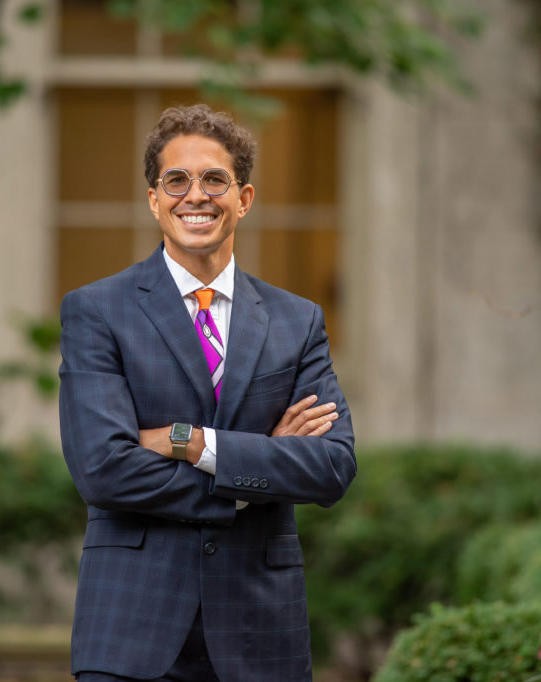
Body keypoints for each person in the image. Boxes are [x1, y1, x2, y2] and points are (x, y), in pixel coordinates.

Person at [58, 103, 356, 682]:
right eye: (177, 180)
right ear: (154, 199)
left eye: (215, 180)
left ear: (243, 199)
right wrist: (251, 481)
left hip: (260, 632)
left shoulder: (297, 322)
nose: (196, 196)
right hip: (131, 631)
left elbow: (331, 465)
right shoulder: (97, 311)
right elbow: (103, 468)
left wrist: (192, 443)